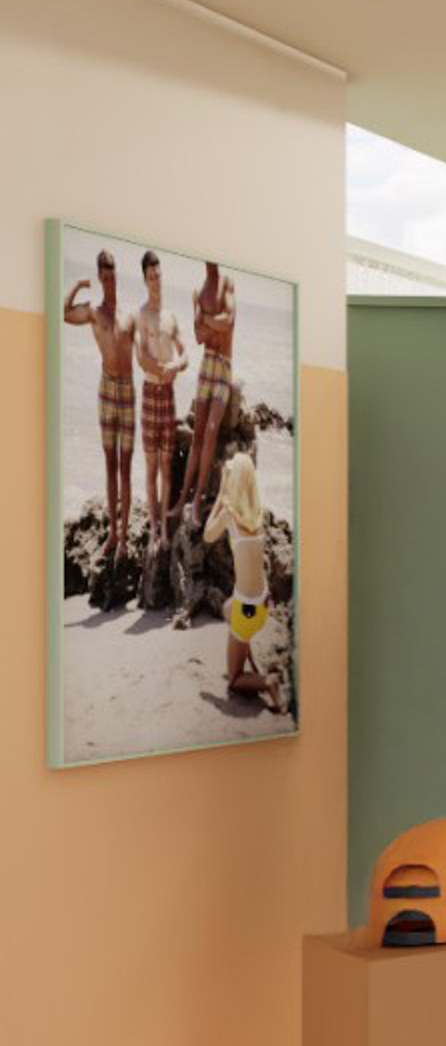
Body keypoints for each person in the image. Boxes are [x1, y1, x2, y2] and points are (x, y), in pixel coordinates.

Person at [63, 250, 137, 563]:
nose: (109, 281)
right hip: (106, 389)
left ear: (117, 275)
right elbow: (64, 313)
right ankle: (113, 534)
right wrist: (78, 286)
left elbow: (145, 351)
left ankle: (125, 535)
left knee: (126, 465)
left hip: (128, 390)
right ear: (99, 278)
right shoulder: (94, 312)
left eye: (112, 275)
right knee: (110, 464)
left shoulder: (129, 315)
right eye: (104, 277)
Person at [202, 448, 281, 712]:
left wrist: (221, 492)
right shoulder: (257, 514)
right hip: (261, 602)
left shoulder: (229, 515)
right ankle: (250, 659)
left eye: (231, 466)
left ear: (234, 479)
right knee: (227, 609)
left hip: (248, 610)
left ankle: (268, 683)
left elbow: (207, 535)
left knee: (233, 680)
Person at [129, 251, 188, 541]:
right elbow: (140, 357)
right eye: (151, 277)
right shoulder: (141, 315)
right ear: (145, 280)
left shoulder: (170, 317)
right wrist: (163, 369)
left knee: (166, 465)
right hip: (151, 393)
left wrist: (176, 365)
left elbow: (185, 354)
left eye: (159, 275)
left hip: (168, 396)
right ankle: (153, 527)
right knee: (151, 466)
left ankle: (164, 527)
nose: (156, 281)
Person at [182, 259, 237, 521]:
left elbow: (228, 322)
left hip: (223, 365)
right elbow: (198, 336)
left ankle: (197, 500)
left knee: (211, 430)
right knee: (198, 435)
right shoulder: (198, 292)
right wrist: (210, 322)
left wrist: (204, 318)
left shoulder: (227, 283)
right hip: (206, 364)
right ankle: (183, 497)